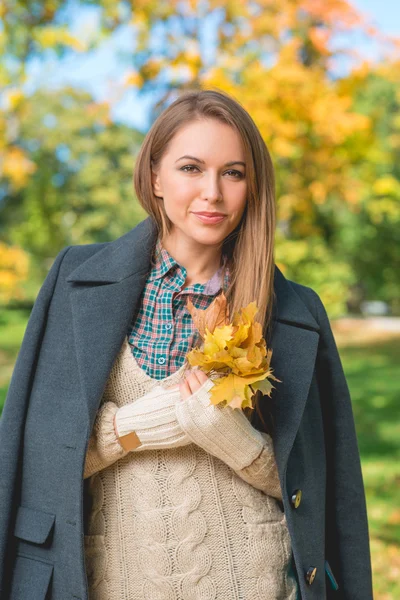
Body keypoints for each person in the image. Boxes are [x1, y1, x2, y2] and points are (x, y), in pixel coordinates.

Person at [0, 89, 373, 600]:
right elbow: (33, 458)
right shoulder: (75, 280)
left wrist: (233, 440)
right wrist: (135, 426)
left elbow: (329, 494)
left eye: (233, 173)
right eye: (191, 168)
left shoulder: (294, 312)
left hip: (257, 585)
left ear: (252, 186)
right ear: (155, 177)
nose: (213, 193)